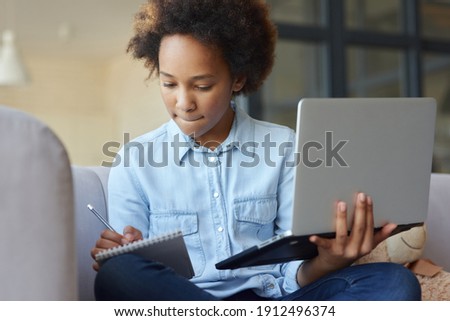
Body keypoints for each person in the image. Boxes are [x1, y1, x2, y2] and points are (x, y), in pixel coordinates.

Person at [91, 0, 421, 301]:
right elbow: (136, 270)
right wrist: (123, 251)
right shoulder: (134, 162)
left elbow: (295, 276)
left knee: (395, 282)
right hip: (185, 302)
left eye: (202, 86)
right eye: (169, 84)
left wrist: (331, 261)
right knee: (118, 273)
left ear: (237, 79)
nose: (183, 103)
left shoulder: (284, 147)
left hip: (273, 302)